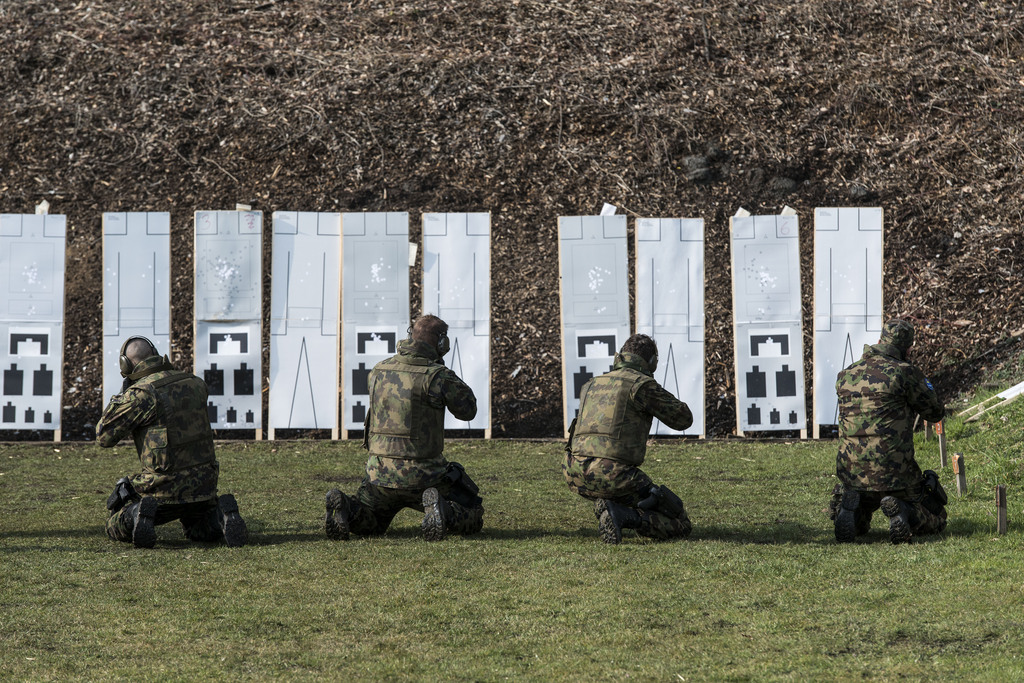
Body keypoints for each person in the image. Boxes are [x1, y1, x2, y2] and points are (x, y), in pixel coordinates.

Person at [325, 314, 483, 542]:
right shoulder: (439, 376)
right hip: (426, 477)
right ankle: (443, 511)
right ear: (441, 343)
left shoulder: (378, 370)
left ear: (410, 336)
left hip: (379, 475)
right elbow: (468, 411)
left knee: (371, 522)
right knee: (474, 516)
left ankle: (347, 509)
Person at [97, 336, 248, 549]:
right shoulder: (195, 383)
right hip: (203, 487)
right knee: (197, 529)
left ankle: (138, 514)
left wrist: (123, 396)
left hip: (162, 489)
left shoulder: (141, 394)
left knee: (114, 525)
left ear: (126, 364)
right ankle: (221, 517)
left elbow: (104, 436)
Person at [563, 333, 694, 544]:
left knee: (623, 488)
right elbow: (684, 419)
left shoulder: (592, 384)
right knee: (680, 523)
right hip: (614, 476)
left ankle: (610, 506)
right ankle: (624, 515)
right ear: (651, 362)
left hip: (573, 472)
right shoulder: (641, 385)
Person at [829, 319, 948, 544]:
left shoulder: (846, 374)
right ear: (908, 349)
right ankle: (904, 511)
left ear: (879, 341)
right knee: (938, 518)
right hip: (895, 474)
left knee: (862, 507)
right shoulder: (905, 372)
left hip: (852, 472)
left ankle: (852, 513)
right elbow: (935, 412)